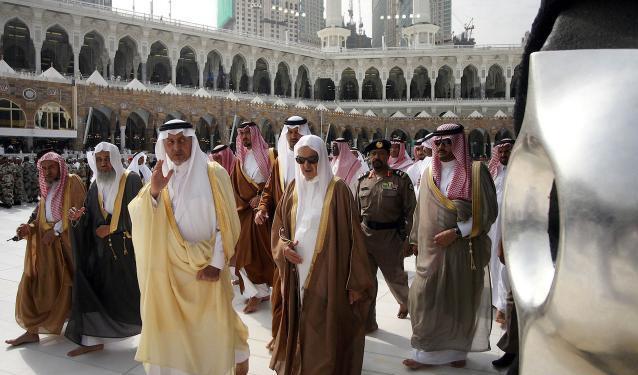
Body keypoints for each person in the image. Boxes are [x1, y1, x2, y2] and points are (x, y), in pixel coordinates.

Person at [128, 119, 249, 375]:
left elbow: (225, 221)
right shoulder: (158, 176)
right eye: (170, 142)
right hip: (170, 269)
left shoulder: (214, 173)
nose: (176, 147)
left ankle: (231, 360)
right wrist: (154, 192)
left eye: (182, 140)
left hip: (207, 266)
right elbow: (138, 214)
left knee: (212, 325)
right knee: (174, 328)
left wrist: (216, 264)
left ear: (193, 141)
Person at [269, 135, 373, 375]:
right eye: (301, 160)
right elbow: (280, 228)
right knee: (300, 321)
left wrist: (355, 282)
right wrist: (284, 247)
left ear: (322, 159)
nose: (306, 166)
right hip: (296, 272)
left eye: (312, 160)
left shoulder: (338, 190)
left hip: (330, 272)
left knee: (323, 327)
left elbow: (355, 238)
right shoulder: (294, 188)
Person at [404, 123, 497, 369]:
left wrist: (456, 232)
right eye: (438, 143)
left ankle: (457, 351)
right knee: (424, 296)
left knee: (459, 300)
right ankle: (425, 354)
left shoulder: (475, 173)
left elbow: (487, 214)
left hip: (461, 251)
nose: (442, 147)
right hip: (430, 252)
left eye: (448, 142)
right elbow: (419, 212)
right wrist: (414, 239)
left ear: (458, 144)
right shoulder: (428, 175)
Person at [65, 142, 142, 357]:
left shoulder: (131, 180)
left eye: (106, 159)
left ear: (115, 159)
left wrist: (113, 228)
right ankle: (92, 339)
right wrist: (80, 218)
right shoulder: (94, 185)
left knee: (133, 295)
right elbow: (90, 214)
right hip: (100, 252)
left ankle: (155, 335)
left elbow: (141, 213)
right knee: (96, 291)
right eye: (99, 160)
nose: (103, 164)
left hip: (126, 251)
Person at [6, 152, 86, 346]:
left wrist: (57, 231)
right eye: (44, 168)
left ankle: (80, 328)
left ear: (60, 166)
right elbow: (42, 217)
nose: (48, 171)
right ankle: (32, 330)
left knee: (67, 287)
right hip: (46, 246)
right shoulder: (47, 189)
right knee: (35, 284)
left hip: (66, 246)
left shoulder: (72, 181)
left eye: (51, 167)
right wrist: (30, 227)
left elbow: (79, 209)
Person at [254, 115, 310, 349]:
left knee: (306, 288)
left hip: (307, 232)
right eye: (290, 132)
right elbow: (268, 190)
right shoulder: (279, 163)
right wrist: (262, 208)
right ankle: (280, 335)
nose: (294, 135)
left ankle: (304, 338)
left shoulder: (312, 162)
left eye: (298, 131)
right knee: (281, 288)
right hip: (282, 232)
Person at [356, 139, 416, 331]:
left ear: (388, 156)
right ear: (369, 157)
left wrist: (409, 238)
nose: (377, 157)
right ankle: (368, 322)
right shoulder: (362, 180)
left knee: (396, 278)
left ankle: (409, 306)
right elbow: (356, 213)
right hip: (366, 237)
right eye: (374, 154)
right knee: (366, 282)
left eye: (381, 154)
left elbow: (411, 211)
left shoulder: (400, 179)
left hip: (390, 238)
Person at [230, 121, 276, 313]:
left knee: (262, 256)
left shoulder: (269, 155)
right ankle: (254, 293)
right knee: (243, 254)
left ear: (256, 134)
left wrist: (261, 198)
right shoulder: (239, 160)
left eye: (248, 134)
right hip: (245, 213)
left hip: (264, 213)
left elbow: (276, 182)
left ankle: (261, 291)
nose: (245, 138)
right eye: (242, 135)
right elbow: (235, 187)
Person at [487, 138, 515, 325]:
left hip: (512, 226)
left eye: (508, 151)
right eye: (502, 152)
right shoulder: (496, 172)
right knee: (493, 264)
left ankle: (504, 306)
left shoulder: (520, 173)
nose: (504, 155)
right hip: (494, 226)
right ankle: (496, 301)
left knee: (506, 266)